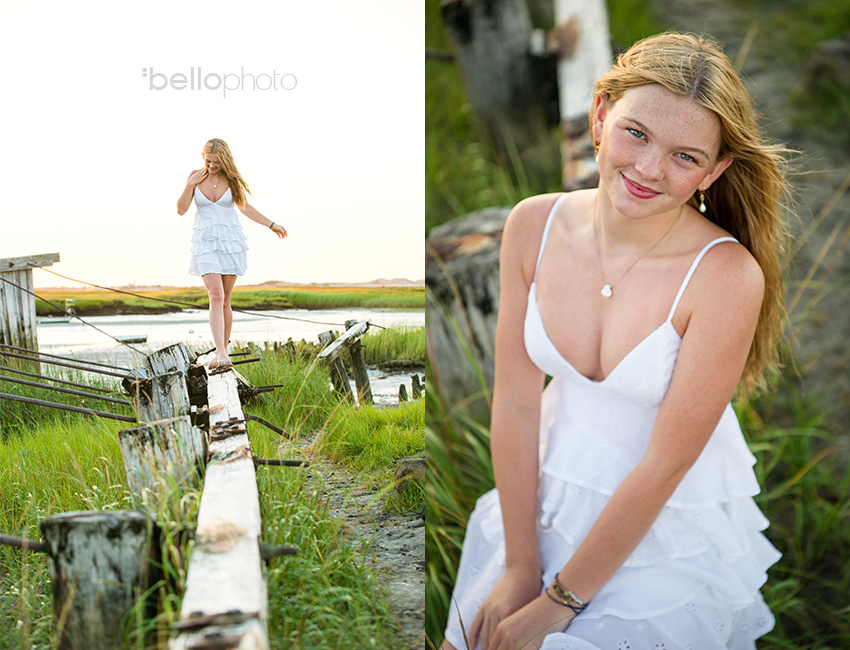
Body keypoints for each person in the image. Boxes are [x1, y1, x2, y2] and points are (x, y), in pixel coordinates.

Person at [441, 32, 790, 650]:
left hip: (666, 522)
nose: (649, 169)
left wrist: (559, 600)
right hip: (545, 488)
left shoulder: (726, 278)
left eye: (686, 157)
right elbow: (517, 402)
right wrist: (523, 566)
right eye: (637, 133)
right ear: (600, 116)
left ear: (715, 170)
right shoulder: (532, 224)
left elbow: (666, 463)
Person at [176, 138, 287, 369]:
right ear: (202, 157)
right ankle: (220, 352)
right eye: (208, 161)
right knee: (215, 295)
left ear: (224, 160)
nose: (212, 165)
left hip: (230, 242)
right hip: (205, 242)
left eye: (216, 162)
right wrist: (190, 185)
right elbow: (180, 209)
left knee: (226, 298)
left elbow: (245, 207)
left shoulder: (232, 179)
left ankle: (223, 351)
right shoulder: (195, 176)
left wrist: (271, 224)